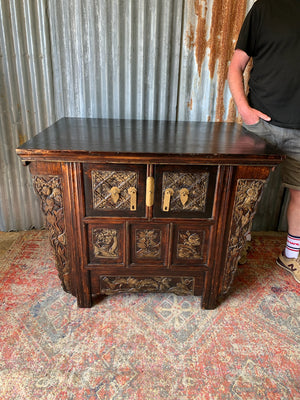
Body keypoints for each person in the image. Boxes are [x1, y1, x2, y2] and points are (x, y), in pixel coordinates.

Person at [228, 0, 300, 284]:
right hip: (260, 126)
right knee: (243, 194)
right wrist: (246, 112)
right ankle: (234, 249)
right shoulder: (264, 7)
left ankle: (291, 256)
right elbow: (236, 66)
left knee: (299, 196)